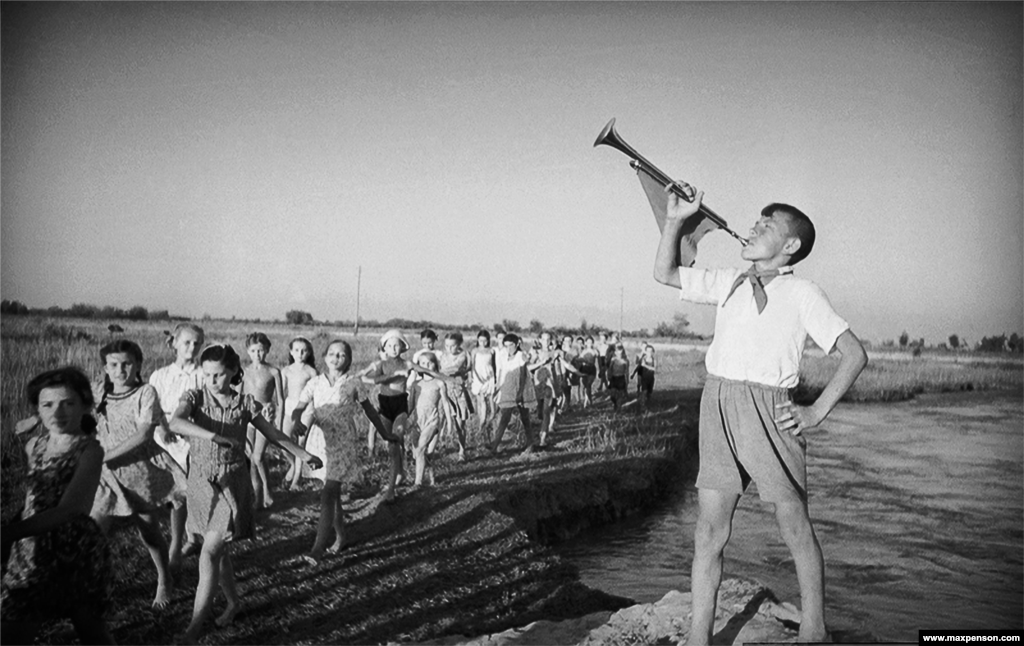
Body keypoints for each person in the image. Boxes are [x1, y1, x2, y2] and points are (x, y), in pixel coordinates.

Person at [653, 184, 867, 645]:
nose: (753, 227)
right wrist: (675, 219)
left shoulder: (804, 292)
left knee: (794, 526)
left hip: (770, 409)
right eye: (756, 221)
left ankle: (814, 629)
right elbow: (665, 272)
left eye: (767, 225)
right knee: (709, 530)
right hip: (718, 404)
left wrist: (814, 414)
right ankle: (697, 637)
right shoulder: (730, 280)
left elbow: (854, 355)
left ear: (790, 246)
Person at [169, 344, 321, 645]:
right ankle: (234, 602)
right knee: (219, 549)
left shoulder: (245, 404)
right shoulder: (194, 398)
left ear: (233, 373)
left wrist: (302, 454)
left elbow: (273, 434)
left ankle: (194, 628)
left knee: (210, 551)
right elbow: (175, 422)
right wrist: (214, 436)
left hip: (231, 483)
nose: (213, 381)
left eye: (220, 375)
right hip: (201, 480)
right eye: (208, 374)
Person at [0, 367, 116, 646]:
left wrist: (9, 533)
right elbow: (33, 497)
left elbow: (71, 509)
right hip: (30, 550)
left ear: (85, 406)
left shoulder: (90, 450)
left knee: (91, 630)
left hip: (76, 551)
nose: (57, 412)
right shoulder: (33, 446)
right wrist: (13, 535)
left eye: (68, 403)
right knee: (13, 627)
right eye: (47, 405)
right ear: (37, 409)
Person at [90, 340, 186, 610]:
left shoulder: (145, 392)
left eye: (127, 363)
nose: (120, 370)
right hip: (106, 475)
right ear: (105, 368)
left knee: (148, 531)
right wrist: (37, 420)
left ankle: (164, 578)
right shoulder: (99, 394)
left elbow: (143, 434)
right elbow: (64, 403)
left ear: (139, 365)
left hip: (139, 470)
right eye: (113, 365)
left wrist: (104, 457)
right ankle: (97, 587)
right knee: (95, 531)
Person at [290, 340, 394, 563]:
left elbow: (370, 412)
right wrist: (297, 421)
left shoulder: (354, 383)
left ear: (349, 360)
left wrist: (385, 435)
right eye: (332, 353)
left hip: (343, 444)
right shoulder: (315, 383)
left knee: (328, 492)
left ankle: (317, 548)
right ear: (324, 357)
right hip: (320, 443)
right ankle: (341, 536)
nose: (336, 357)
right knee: (333, 495)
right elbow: (298, 409)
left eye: (342, 354)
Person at [148, 322, 204, 571]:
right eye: (187, 342)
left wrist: (194, 435)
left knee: (185, 494)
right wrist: (161, 427)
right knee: (170, 495)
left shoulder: (203, 374)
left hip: (192, 439)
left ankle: (179, 545)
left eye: (197, 343)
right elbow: (153, 407)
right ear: (175, 344)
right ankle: (185, 539)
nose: (192, 347)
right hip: (165, 439)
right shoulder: (159, 375)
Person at [360, 330, 440, 502]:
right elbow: (366, 379)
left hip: (400, 405)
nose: (394, 348)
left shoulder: (407, 364)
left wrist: (449, 379)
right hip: (385, 405)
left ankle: (391, 489)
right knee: (391, 447)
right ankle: (401, 473)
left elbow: (430, 372)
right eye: (390, 345)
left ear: (403, 347)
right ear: (385, 348)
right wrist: (391, 376)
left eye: (397, 345)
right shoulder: (380, 364)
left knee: (395, 443)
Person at [241, 332, 284, 509]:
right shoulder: (243, 372)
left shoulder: (273, 371)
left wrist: (278, 424)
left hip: (265, 417)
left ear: (267, 350)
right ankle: (258, 496)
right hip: (248, 417)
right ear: (248, 351)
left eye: (261, 350)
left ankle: (267, 490)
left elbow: (280, 399)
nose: (257, 354)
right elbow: (237, 396)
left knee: (258, 456)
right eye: (253, 350)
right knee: (252, 458)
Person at [407, 351, 454, 487]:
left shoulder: (439, 383)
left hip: (432, 421)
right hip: (417, 422)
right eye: (422, 363)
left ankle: (418, 482)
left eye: (429, 363)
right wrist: (402, 419)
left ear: (435, 365)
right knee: (420, 454)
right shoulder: (416, 384)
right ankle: (432, 477)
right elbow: (410, 406)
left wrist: (449, 423)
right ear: (418, 366)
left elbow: (445, 403)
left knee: (421, 448)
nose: (426, 366)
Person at [281, 336, 321, 489]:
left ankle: (296, 480)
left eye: (304, 351)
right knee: (283, 442)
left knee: (300, 443)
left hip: (307, 409)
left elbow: (316, 393)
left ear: (309, 353)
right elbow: (282, 392)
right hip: (290, 407)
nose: (300, 354)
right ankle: (293, 465)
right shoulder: (286, 370)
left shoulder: (311, 372)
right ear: (291, 352)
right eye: (296, 350)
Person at [487, 334, 537, 454]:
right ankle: (495, 444)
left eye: (511, 345)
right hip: (508, 390)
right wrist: (498, 388)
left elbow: (522, 375)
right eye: (506, 346)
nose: (508, 348)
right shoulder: (503, 356)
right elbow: (502, 373)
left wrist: (520, 393)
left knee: (525, 418)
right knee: (504, 418)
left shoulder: (521, 356)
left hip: (521, 390)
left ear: (517, 344)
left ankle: (530, 444)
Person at [438, 331, 472, 460]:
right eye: (447, 346)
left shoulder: (463, 355)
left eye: (453, 346)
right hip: (445, 391)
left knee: (460, 423)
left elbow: (455, 369)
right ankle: (437, 446)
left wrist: (440, 372)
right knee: (440, 419)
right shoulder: (442, 356)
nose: (450, 349)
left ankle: (462, 451)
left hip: (458, 392)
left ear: (459, 344)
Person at [470, 330, 496, 443]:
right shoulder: (474, 351)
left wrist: (494, 378)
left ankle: (485, 423)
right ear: (478, 340)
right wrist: (471, 376)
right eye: (481, 340)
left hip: (489, 376)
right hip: (477, 376)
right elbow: (471, 365)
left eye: (485, 340)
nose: (483, 342)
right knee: (480, 400)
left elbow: (493, 365)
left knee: (487, 399)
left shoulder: (491, 350)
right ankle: (481, 422)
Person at [606, 342, 631, 411]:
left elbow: (627, 371)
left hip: (621, 378)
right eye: (618, 351)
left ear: (623, 351)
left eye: (621, 350)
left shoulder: (625, 360)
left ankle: (618, 408)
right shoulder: (613, 359)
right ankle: (615, 403)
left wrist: (627, 380)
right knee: (613, 395)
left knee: (620, 394)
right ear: (615, 352)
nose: (619, 352)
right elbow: (610, 369)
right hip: (613, 378)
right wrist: (609, 376)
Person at [631, 344, 657, 408]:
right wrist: (633, 374)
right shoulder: (643, 359)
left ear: (653, 352)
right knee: (644, 391)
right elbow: (638, 366)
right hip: (644, 379)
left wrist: (645, 365)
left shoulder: (654, 360)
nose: (649, 353)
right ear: (645, 351)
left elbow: (654, 369)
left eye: (651, 351)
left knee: (649, 393)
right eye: (648, 351)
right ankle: (642, 405)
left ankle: (648, 404)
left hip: (651, 379)